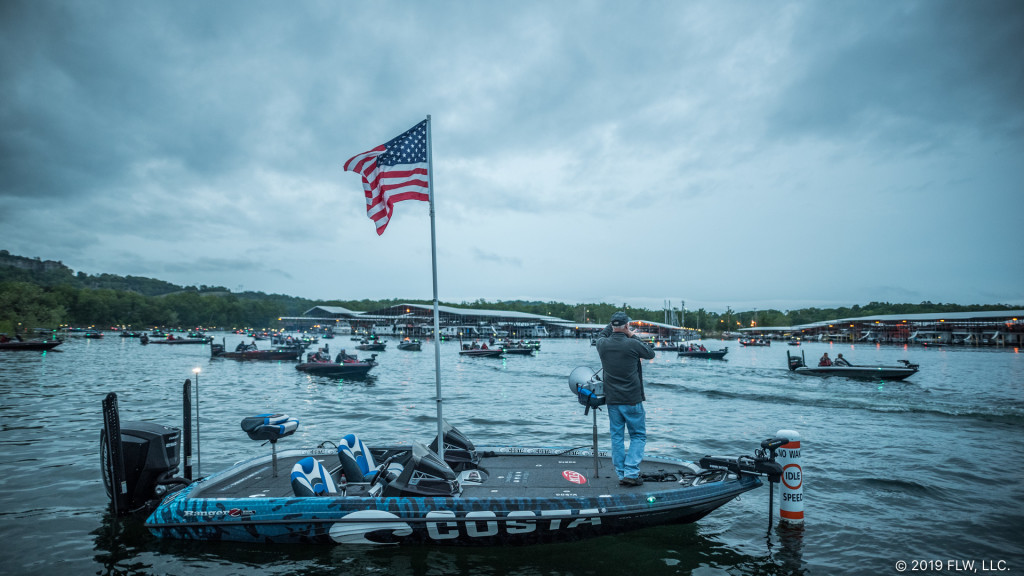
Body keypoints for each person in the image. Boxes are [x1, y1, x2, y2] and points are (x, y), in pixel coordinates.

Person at [594, 311, 655, 487]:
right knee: (638, 435)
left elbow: (602, 334)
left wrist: (612, 325)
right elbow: (650, 353)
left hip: (613, 400)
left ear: (612, 326)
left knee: (617, 436)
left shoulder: (602, 344)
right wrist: (631, 334)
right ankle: (631, 472)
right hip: (632, 399)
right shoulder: (632, 344)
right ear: (627, 326)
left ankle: (622, 474)